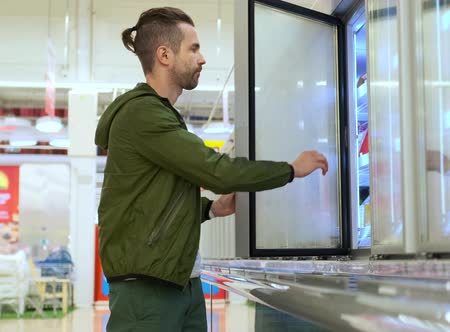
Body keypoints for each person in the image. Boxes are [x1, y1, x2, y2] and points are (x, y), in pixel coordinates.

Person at [95, 7, 329, 332]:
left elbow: (157, 200)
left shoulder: (162, 115)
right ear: (164, 55)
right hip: (148, 289)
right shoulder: (141, 114)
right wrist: (291, 169)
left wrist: (212, 209)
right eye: (193, 48)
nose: (202, 58)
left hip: (182, 280)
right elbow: (215, 170)